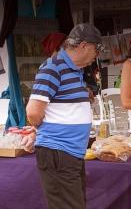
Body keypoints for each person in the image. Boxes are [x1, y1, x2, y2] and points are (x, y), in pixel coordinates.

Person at [25, 23, 103, 209]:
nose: (97, 55)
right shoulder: (53, 68)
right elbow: (33, 112)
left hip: (69, 153)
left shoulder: (75, 70)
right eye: (97, 48)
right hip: (58, 152)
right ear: (83, 45)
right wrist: (43, 131)